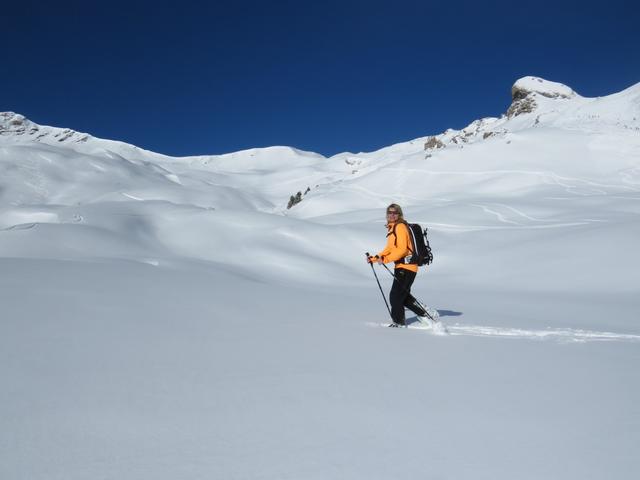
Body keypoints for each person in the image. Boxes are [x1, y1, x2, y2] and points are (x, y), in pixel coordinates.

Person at [367, 203, 430, 327]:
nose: (391, 215)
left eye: (394, 213)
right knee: (401, 296)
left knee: (395, 297)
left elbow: (402, 250)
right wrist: (374, 258)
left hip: (407, 267)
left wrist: (385, 260)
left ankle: (398, 323)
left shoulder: (400, 227)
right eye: (389, 213)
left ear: (399, 214)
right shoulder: (393, 228)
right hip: (401, 267)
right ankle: (422, 310)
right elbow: (389, 248)